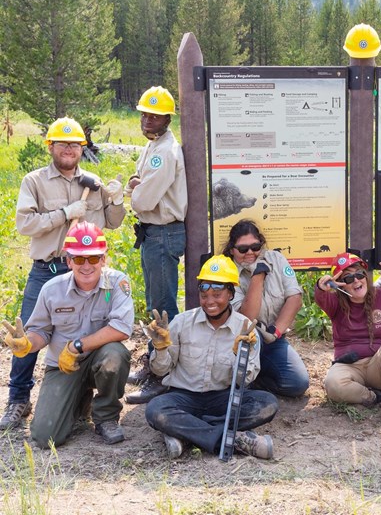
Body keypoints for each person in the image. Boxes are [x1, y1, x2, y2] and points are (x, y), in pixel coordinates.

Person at [1, 117, 125, 431]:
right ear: (51, 146)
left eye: (75, 144)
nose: (69, 149)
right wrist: (65, 214)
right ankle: (18, 399)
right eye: (62, 143)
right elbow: (25, 224)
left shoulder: (93, 182)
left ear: (82, 148)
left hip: (88, 270)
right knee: (28, 336)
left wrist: (117, 200)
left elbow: (112, 222)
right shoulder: (35, 181)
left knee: (93, 332)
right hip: (48, 270)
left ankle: (85, 393)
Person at [2, 222, 134, 447]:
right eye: (79, 259)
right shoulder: (52, 289)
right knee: (45, 437)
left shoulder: (118, 283)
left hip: (97, 360)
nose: (86, 265)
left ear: (103, 259)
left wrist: (77, 346)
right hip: (61, 367)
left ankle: (106, 417)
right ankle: (79, 400)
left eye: (93, 258)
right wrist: (27, 344)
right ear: (68, 260)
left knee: (115, 355)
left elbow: (121, 328)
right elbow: (41, 332)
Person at [144, 255, 278, 460]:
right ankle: (232, 439)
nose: (210, 301)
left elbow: (244, 382)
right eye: (204, 295)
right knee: (156, 409)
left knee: (267, 404)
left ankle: (186, 434)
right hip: (184, 397)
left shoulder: (245, 328)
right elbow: (160, 371)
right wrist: (160, 348)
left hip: (223, 399)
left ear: (231, 294)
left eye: (217, 294)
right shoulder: (182, 322)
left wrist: (239, 356)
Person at [125, 86, 188, 404]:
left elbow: (144, 198)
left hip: (163, 232)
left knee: (163, 306)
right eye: (144, 114)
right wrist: (136, 186)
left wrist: (136, 190)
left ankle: (165, 375)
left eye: (155, 115)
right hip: (154, 232)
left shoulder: (165, 151)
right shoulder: (153, 147)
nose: (147, 120)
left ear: (167, 118)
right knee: (155, 302)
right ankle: (155, 362)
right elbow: (137, 184)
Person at [314, 253, 381, 438]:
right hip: (349, 365)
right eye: (348, 278)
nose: (356, 280)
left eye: (359, 274)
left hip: (376, 364)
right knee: (332, 383)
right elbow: (321, 297)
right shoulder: (335, 302)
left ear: (366, 276)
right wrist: (321, 286)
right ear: (340, 284)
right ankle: (374, 397)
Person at [221, 219, 309, 398]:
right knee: (235, 382)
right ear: (232, 250)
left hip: (272, 336)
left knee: (297, 384)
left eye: (255, 247)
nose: (250, 253)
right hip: (241, 341)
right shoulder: (227, 270)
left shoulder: (276, 259)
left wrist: (275, 331)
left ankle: (258, 380)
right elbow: (247, 317)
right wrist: (258, 275)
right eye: (243, 249)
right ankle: (245, 380)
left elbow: (295, 297)